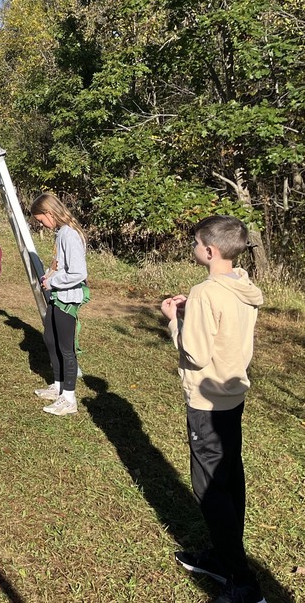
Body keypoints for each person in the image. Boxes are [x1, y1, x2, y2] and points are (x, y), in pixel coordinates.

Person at [160, 216, 266, 603]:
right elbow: (224, 331)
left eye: (195, 242)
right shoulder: (242, 284)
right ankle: (222, 558)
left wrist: (175, 322)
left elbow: (197, 353)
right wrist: (195, 315)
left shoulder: (205, 292)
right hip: (233, 395)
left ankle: (242, 582)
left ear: (209, 250)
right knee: (229, 477)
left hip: (207, 400)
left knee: (210, 490)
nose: (193, 247)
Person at [30, 193, 89, 416]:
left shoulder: (70, 235)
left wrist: (53, 281)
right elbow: (60, 264)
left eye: (41, 220)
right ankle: (58, 386)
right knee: (50, 339)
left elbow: (78, 272)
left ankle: (69, 398)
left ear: (50, 213)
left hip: (67, 299)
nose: (41, 225)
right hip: (57, 295)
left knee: (66, 348)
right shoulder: (61, 233)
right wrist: (49, 275)